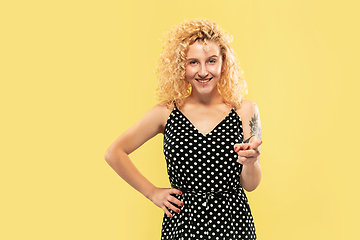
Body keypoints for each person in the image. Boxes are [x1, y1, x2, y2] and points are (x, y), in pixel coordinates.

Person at [105, 19, 262, 240]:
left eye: (211, 61)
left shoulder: (245, 110)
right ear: (181, 66)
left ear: (223, 64)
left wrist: (251, 161)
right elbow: (114, 153)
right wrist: (152, 193)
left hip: (233, 224)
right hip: (183, 226)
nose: (203, 71)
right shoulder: (166, 112)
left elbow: (251, 185)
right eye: (193, 62)